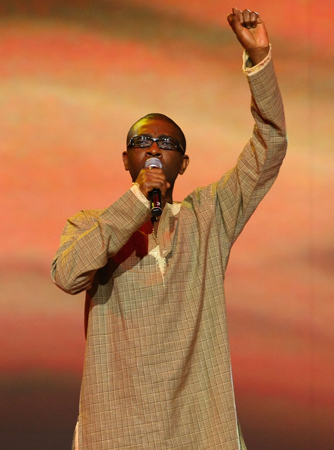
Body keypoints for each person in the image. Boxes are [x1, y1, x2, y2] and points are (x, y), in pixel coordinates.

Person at [51, 7, 287, 449]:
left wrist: (259, 61)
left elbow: (270, 144)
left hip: (197, 427)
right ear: (126, 161)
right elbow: (67, 275)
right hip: (118, 429)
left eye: (167, 144)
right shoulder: (91, 224)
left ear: (184, 162)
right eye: (142, 142)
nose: (155, 149)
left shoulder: (208, 216)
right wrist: (136, 201)